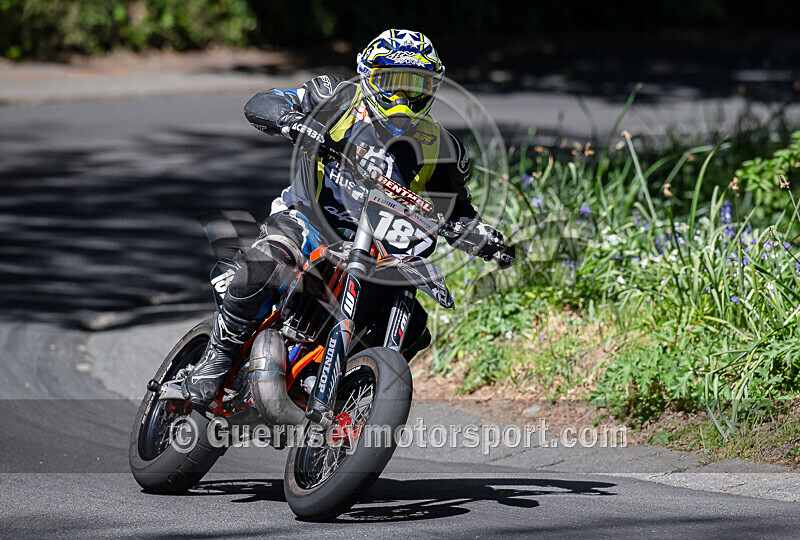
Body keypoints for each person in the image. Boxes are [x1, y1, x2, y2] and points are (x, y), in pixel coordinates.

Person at [182, 29, 505, 405]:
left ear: (432, 87)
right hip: (307, 223)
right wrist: (292, 120)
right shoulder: (337, 97)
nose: (402, 97)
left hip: (381, 250)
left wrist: (478, 233)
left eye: (415, 85)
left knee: (416, 326)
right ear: (368, 77)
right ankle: (218, 357)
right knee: (263, 265)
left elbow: (456, 208)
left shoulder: (442, 146)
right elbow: (262, 102)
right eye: (391, 83)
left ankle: (351, 393)